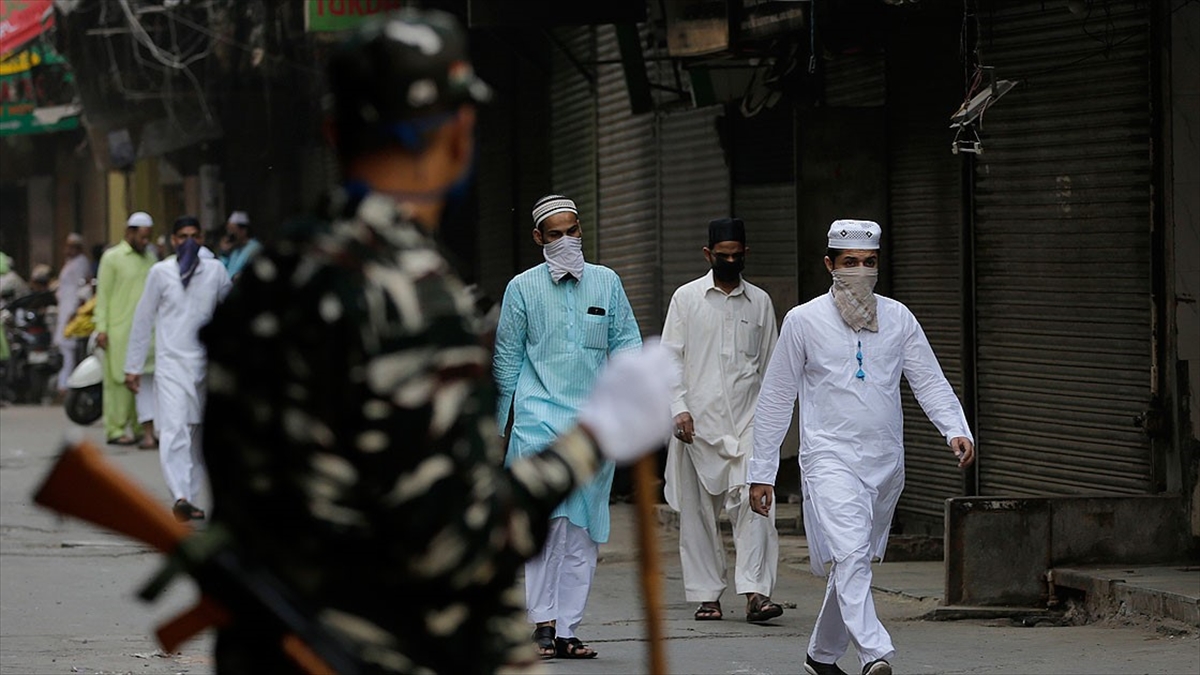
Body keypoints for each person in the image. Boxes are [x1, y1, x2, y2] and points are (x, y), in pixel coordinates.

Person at [197, 9, 676, 674]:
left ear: (334, 134)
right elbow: (463, 537)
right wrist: (595, 439)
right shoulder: (412, 292)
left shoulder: (265, 278)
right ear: (458, 138)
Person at [748, 219, 976, 675]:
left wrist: (955, 428)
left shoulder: (899, 318)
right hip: (828, 457)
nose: (860, 271)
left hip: (885, 462)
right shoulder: (803, 321)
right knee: (851, 554)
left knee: (855, 561)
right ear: (829, 264)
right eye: (849, 262)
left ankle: (821, 657)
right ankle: (876, 652)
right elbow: (776, 398)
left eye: (869, 263)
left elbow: (928, 379)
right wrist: (761, 472)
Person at [493, 193, 643, 660]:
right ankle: (541, 623)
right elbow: (506, 361)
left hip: (592, 429)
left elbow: (628, 346)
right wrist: (495, 431)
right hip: (537, 424)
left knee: (583, 531)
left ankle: (567, 629)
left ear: (582, 230)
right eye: (555, 234)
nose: (565, 240)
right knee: (547, 524)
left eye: (572, 231)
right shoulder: (521, 288)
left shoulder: (607, 282)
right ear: (538, 238)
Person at [661, 217, 782, 624]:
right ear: (708, 255)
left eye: (736, 255)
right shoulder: (686, 298)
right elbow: (670, 359)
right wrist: (678, 407)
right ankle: (707, 595)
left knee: (756, 503)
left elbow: (771, 367)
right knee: (697, 513)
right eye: (722, 256)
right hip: (696, 425)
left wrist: (771, 426)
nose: (730, 262)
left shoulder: (760, 302)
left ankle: (756, 593)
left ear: (746, 254)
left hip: (748, 423)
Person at [124, 216, 231, 522]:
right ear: (173, 241)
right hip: (171, 364)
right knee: (174, 429)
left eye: (195, 236)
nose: (189, 242)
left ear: (202, 239)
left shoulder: (215, 271)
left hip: (205, 366)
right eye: (182, 236)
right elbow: (143, 319)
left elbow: (231, 314)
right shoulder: (161, 273)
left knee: (197, 434)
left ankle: (190, 497)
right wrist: (133, 366)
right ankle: (180, 495)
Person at [94, 213, 158, 447]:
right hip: (119, 329)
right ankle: (115, 429)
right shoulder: (112, 258)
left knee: (141, 380)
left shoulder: (151, 258)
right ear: (129, 233)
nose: (145, 242)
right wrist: (101, 327)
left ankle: (141, 427)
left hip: (146, 332)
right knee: (118, 381)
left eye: (148, 238)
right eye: (142, 237)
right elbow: (103, 295)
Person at [55, 233, 90, 397]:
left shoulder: (81, 262)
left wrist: (75, 311)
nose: (67, 250)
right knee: (64, 348)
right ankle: (63, 383)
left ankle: (67, 385)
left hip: (71, 309)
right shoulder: (70, 263)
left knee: (69, 348)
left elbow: (81, 289)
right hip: (64, 308)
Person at [217, 210, 261, 280]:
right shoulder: (234, 249)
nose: (229, 234)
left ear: (243, 231)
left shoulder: (254, 248)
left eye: (232, 229)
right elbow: (221, 271)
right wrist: (224, 253)